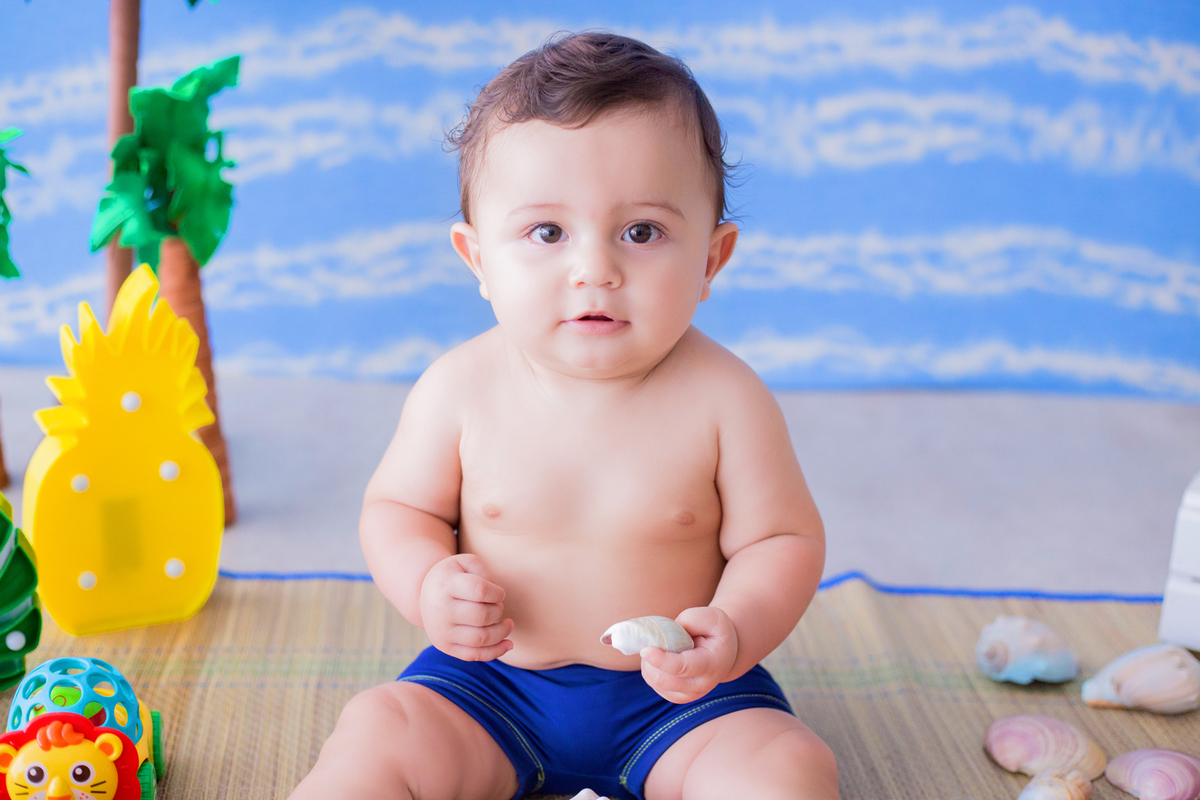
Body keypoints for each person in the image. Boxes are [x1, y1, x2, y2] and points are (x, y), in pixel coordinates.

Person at [289, 31, 838, 800]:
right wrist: (427, 585)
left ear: (712, 259)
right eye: (547, 232)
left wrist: (736, 629)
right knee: (379, 733)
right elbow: (397, 508)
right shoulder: (458, 389)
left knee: (785, 768)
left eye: (641, 232)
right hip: (485, 689)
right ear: (477, 258)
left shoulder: (727, 399)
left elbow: (781, 539)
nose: (595, 270)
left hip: (685, 699)